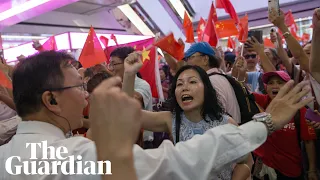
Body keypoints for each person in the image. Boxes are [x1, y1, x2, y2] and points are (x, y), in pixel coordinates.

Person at [0, 51, 314, 180]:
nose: (85, 95)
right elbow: (177, 161)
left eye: (193, 81)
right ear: (51, 99)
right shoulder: (74, 156)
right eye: (79, 86)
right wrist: (266, 123)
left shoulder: (6, 154)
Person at [121, 52, 253, 179]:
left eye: (192, 82)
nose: (185, 87)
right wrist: (129, 74)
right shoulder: (170, 119)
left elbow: (246, 162)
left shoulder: (226, 124)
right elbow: (129, 115)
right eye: (179, 84)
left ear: (206, 89)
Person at [252, 71, 317, 180]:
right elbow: (242, 91)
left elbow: (309, 141)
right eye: (271, 83)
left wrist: (312, 170)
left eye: (280, 82)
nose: (275, 86)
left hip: (290, 170)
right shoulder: (262, 101)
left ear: (289, 88)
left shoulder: (300, 110)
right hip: (265, 168)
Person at [184, 42, 241, 123]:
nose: (188, 62)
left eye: (190, 57)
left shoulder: (211, 81)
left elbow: (217, 118)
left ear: (205, 59)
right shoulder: (218, 77)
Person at [108, 46, 153, 145]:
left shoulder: (142, 85)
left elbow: (132, 102)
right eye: (109, 64)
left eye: (114, 64)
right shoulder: (112, 85)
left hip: (141, 143)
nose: (110, 69)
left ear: (128, 63)